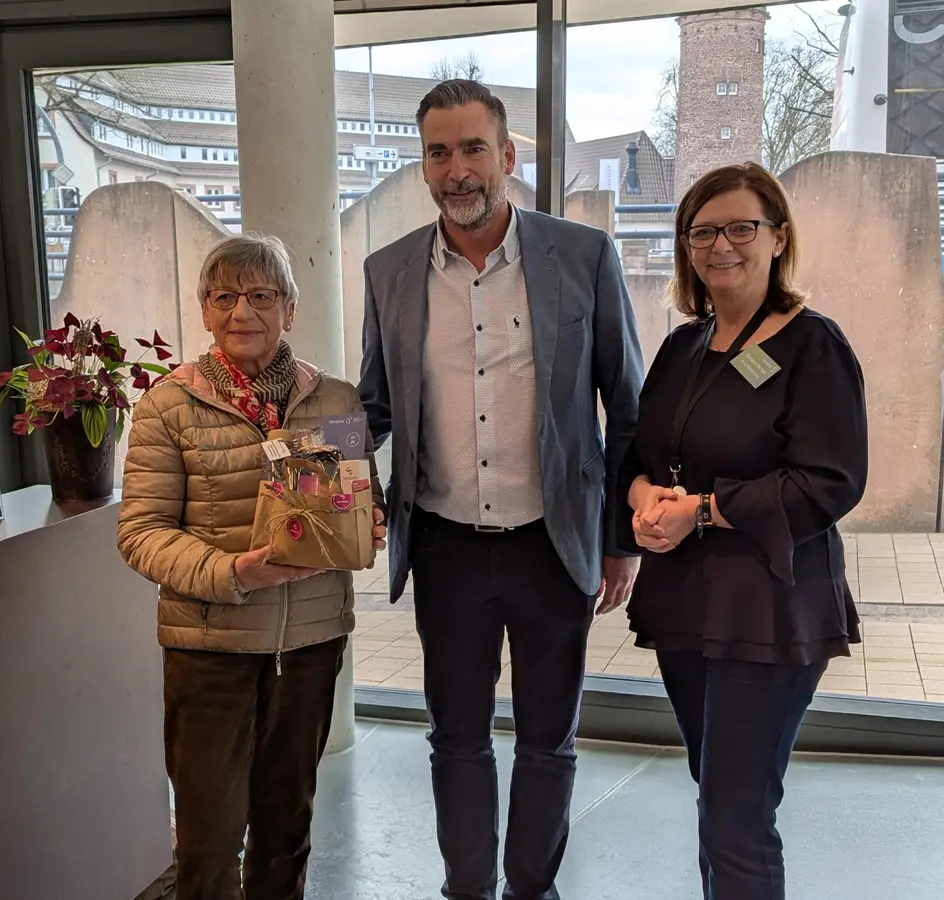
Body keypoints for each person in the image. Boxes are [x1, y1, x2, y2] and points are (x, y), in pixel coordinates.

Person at [357, 79, 644, 900]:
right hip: (444, 547)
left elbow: (625, 406)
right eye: (439, 152)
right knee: (456, 739)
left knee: (549, 739)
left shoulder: (582, 258)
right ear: (423, 166)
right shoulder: (389, 272)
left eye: (473, 147)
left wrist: (622, 542)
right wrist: (313, 449)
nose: (458, 169)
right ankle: (467, 889)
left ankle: (531, 889)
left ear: (508, 155)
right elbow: (372, 407)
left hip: (554, 543)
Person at [622, 162, 868, 900]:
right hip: (687, 607)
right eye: (702, 231)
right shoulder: (684, 347)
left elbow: (831, 482)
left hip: (767, 609)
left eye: (740, 228)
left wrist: (700, 510)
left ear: (777, 237)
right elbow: (639, 455)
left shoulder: (812, 346)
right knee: (718, 794)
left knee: (736, 815)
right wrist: (641, 498)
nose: (719, 245)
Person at [117, 233, 386, 900]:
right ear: (205, 311)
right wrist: (234, 571)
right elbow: (141, 533)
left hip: (310, 648)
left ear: (289, 309)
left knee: (285, 828)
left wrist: (368, 525)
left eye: (262, 296)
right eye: (226, 296)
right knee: (207, 843)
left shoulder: (335, 400)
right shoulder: (167, 407)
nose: (244, 311)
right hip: (212, 650)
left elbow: (359, 499)